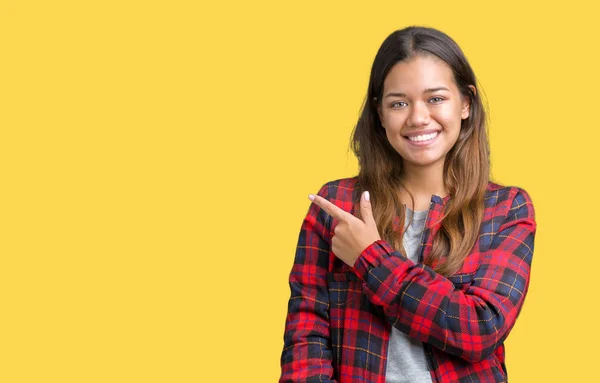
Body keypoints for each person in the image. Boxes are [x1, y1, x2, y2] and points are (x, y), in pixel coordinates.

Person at [279, 26, 536, 383]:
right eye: (399, 103)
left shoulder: (506, 209)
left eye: (435, 99)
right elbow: (305, 338)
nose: (417, 117)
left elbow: (479, 329)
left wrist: (371, 258)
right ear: (380, 114)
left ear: (465, 103)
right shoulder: (338, 205)